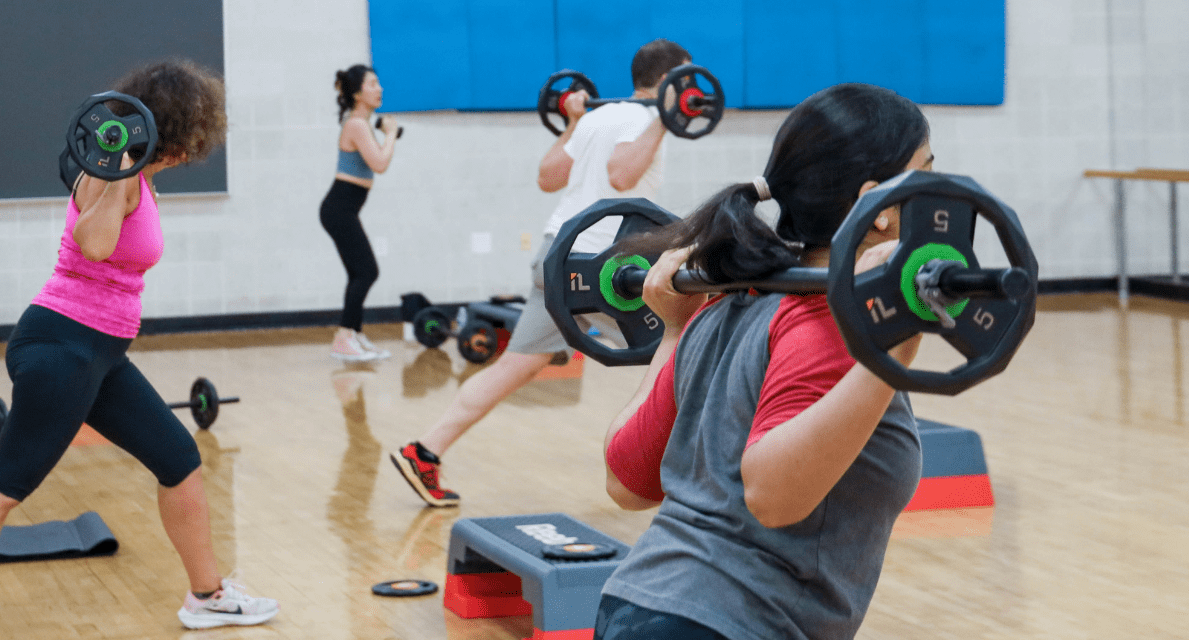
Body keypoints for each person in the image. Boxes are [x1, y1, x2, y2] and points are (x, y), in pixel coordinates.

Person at [0, 60, 277, 640]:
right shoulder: (113, 176)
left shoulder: (137, 175)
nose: (190, 153)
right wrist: (121, 174)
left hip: (98, 354)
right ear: (173, 132)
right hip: (62, 348)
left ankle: (207, 596)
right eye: (188, 140)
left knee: (179, 460)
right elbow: (96, 243)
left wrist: (133, 170)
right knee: (1, 490)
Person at [595, 83, 934, 640]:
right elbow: (773, 499)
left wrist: (673, 332)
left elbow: (628, 483)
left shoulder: (728, 304)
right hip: (721, 625)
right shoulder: (828, 327)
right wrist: (892, 346)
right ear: (880, 207)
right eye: (925, 173)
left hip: (636, 606)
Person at [389, 39, 691, 507]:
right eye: (685, 80)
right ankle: (676, 475)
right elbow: (621, 176)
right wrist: (665, 122)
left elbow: (549, 176)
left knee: (515, 365)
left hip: (556, 257)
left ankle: (424, 450)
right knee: (684, 347)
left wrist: (572, 122)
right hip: (600, 272)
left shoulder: (597, 116)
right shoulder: (645, 122)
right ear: (673, 79)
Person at [324, 64, 400, 361]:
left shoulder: (362, 124)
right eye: (372, 84)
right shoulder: (356, 124)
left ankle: (353, 334)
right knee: (367, 272)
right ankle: (343, 336)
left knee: (360, 273)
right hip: (339, 209)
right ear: (358, 93)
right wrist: (391, 134)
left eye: (379, 83)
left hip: (344, 209)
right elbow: (380, 163)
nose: (379, 88)